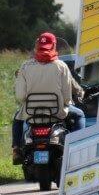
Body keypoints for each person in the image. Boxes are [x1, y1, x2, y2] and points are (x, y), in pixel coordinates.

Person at [12, 32, 85, 164]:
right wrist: (67, 101)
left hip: (31, 113)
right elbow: (67, 96)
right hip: (57, 113)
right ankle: (77, 149)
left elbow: (20, 96)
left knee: (16, 120)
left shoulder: (25, 66)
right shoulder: (61, 66)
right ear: (54, 46)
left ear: (37, 47)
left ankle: (16, 150)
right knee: (79, 115)